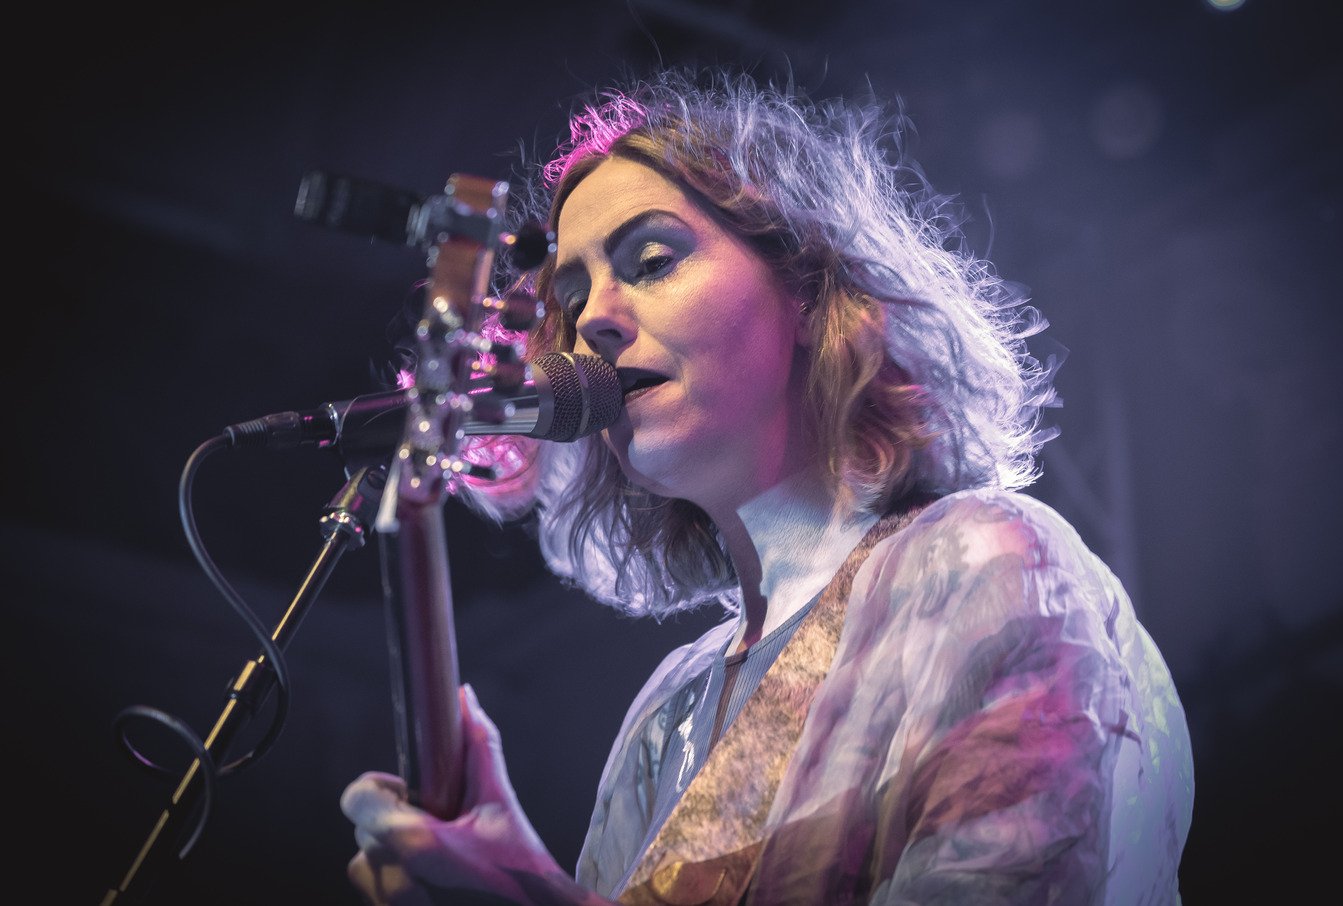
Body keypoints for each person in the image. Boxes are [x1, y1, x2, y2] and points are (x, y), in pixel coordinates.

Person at [340, 68, 1195, 905]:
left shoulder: (985, 562)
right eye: (572, 294)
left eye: (651, 259)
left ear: (809, 290)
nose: (593, 318)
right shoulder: (665, 711)